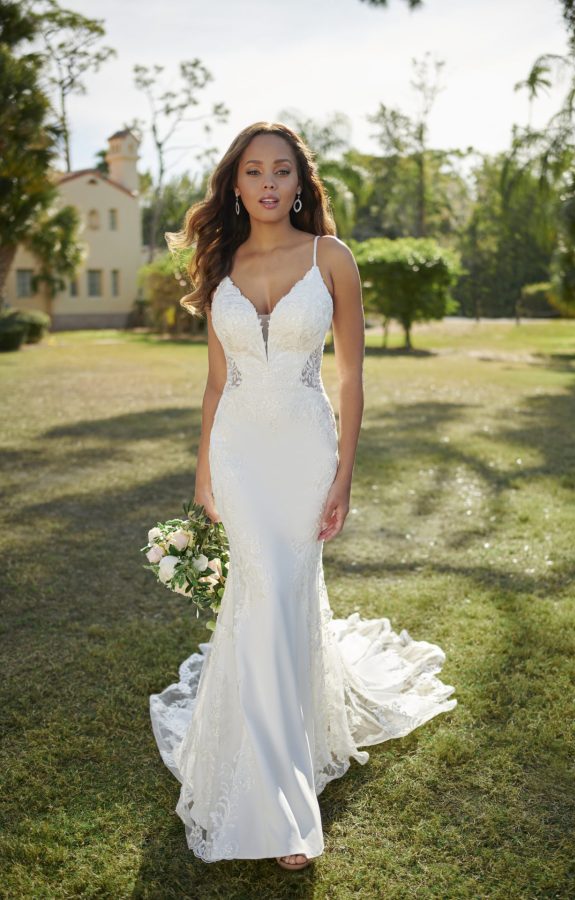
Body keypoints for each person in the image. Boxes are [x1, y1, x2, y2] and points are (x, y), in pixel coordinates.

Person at [149, 121, 457, 872]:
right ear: (236, 183)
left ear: (299, 182)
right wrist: (202, 474)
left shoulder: (332, 259)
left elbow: (351, 378)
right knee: (261, 598)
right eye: (252, 171)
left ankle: (283, 772)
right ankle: (284, 804)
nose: (266, 183)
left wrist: (344, 473)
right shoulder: (220, 263)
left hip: (304, 451)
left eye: (280, 170)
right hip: (240, 454)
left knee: (283, 596)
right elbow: (218, 382)